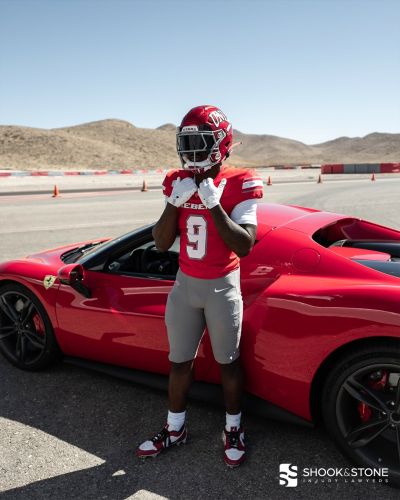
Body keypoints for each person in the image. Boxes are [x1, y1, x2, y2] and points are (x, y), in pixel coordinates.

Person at [136, 105, 263, 467]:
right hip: (185, 286)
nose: (191, 151)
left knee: (228, 363)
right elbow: (161, 243)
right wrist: (173, 203)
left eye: (199, 142)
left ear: (221, 143)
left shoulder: (239, 181)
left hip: (222, 286)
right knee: (179, 362)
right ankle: (175, 428)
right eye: (187, 143)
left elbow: (244, 244)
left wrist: (214, 205)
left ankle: (233, 429)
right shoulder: (177, 180)